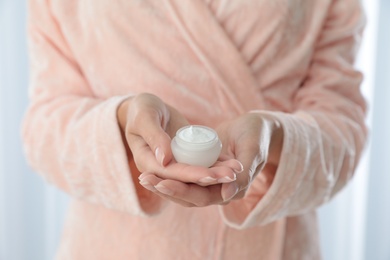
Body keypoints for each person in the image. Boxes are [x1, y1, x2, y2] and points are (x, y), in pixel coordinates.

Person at [22, 0, 367, 259]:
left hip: (267, 244)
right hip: (116, 244)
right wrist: (123, 121)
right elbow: (44, 126)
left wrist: (274, 136)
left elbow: (343, 128)